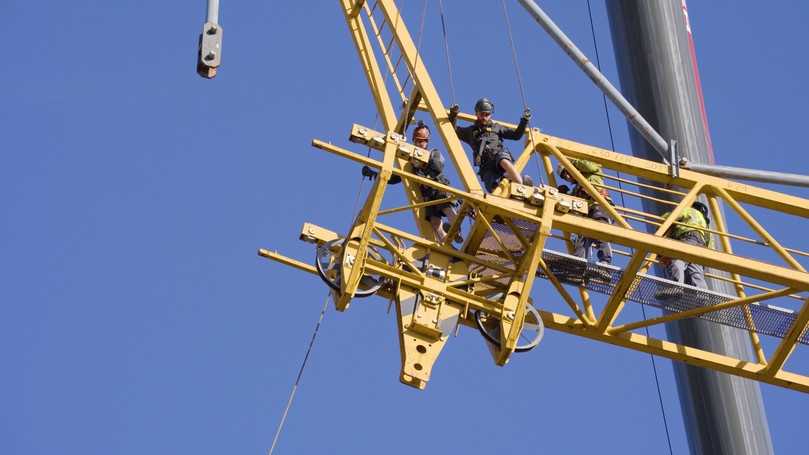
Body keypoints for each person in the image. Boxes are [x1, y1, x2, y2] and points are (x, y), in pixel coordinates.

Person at [361, 122, 461, 243]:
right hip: (427, 195)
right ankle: (445, 243)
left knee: (447, 208)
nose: (420, 144)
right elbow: (395, 177)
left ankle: (456, 231)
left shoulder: (432, 153)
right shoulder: (410, 164)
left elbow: (438, 166)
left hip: (438, 187)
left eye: (422, 141)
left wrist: (421, 163)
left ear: (427, 142)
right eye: (418, 141)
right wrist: (374, 174)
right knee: (434, 221)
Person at [448, 98, 533, 192]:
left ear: (490, 114)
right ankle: (508, 182)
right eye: (482, 114)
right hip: (486, 166)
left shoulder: (496, 127)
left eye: (487, 114)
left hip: (497, 155)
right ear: (476, 114)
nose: (484, 117)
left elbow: (516, 135)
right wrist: (453, 114)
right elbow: (453, 131)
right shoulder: (470, 132)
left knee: (503, 161)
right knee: (494, 188)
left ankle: (520, 183)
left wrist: (524, 120)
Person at [557, 160, 613, 265]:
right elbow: (571, 206)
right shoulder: (576, 190)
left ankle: (605, 261)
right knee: (581, 239)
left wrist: (572, 163)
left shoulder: (592, 175)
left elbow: (592, 167)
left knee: (600, 231)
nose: (567, 177)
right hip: (586, 213)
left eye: (567, 172)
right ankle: (578, 263)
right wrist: (563, 195)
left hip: (599, 206)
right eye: (564, 177)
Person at [656, 201, 713, 299]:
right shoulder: (705, 225)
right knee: (696, 271)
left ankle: (677, 287)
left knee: (677, 259)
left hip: (688, 237)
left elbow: (671, 217)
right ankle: (703, 297)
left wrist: (660, 219)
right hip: (701, 246)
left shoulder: (689, 210)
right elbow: (709, 243)